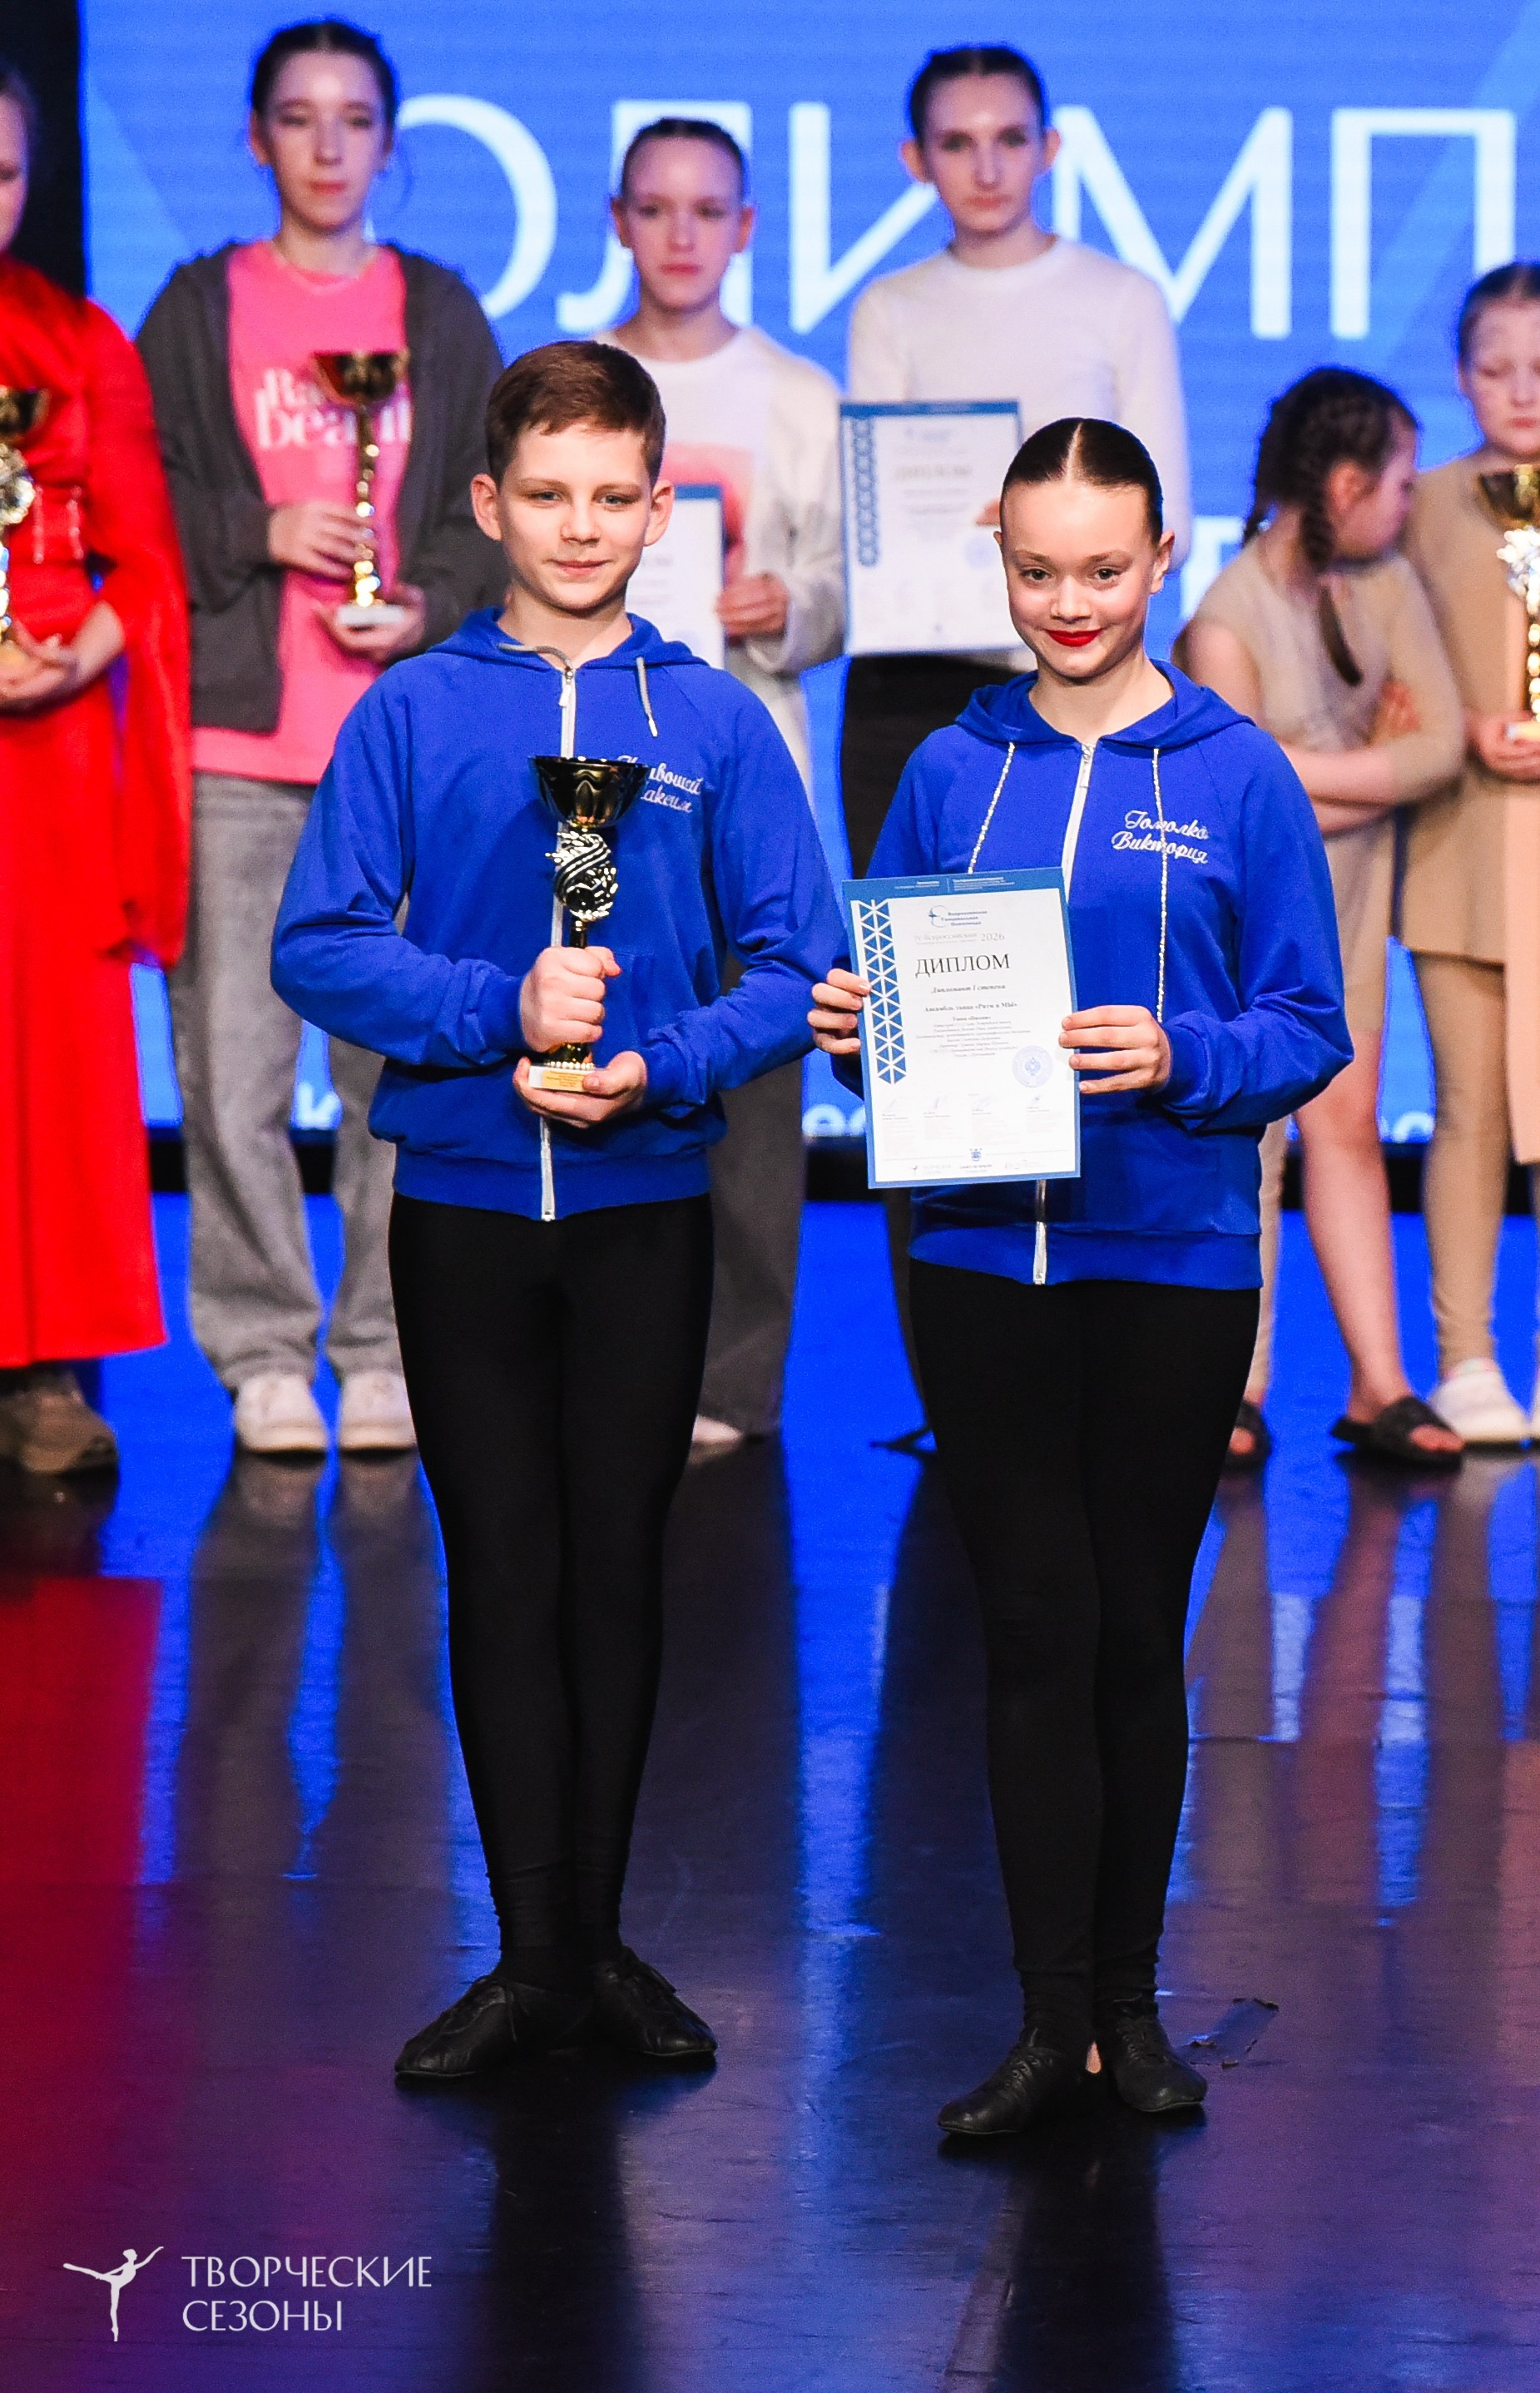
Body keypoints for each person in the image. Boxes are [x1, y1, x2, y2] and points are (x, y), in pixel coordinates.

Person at [271, 341, 843, 2078]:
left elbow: (799, 962)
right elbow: (320, 943)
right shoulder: (415, 711)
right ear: (486, 503)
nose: (580, 527)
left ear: (660, 509)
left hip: (642, 1206)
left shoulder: (714, 721)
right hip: (459, 1204)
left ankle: (591, 1948)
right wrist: (490, 1010)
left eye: (613, 496)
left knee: (617, 1569)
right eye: (547, 495)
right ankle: (531, 1960)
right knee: (502, 1567)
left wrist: (663, 1062)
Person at [810, 419, 1349, 2133]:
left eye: (1103, 570)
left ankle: (1130, 2010)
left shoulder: (1238, 772)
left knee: (1131, 1633)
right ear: (1000, 557)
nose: (1069, 602)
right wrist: (856, 1033)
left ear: (1162, 554)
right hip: (977, 1255)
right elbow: (902, 1012)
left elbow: (1308, 1025)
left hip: (1172, 1255)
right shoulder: (949, 766)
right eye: (1036, 570)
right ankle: (1050, 2024)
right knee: (1031, 1630)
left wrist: (1181, 1053)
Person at [137, 17, 505, 1459]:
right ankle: (260, 1350)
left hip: (400, 758)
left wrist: (424, 605)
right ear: (256, 138)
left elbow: (493, 506)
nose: (329, 145)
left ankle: (384, 1343)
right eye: (299, 117)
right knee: (230, 1077)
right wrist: (260, 525)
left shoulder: (439, 310)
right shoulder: (198, 305)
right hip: (234, 752)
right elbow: (134, 496)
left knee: (393, 1076)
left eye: (356, 119)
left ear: (390, 142)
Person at [841, 42, 1192, 1385]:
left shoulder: (1120, 297)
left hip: (1090, 690)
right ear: (914, 159)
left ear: (1052, 149)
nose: (984, 166)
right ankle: (956, 1369)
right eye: (955, 140)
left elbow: (1168, 509)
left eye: (1008, 138)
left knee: (1105, 997)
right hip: (918, 692)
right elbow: (888, 516)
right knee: (923, 1028)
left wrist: (1060, 580)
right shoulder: (891, 306)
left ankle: (1113, 1328)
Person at [605, 117, 844, 1450]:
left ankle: (732, 1386)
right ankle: (604, 1357)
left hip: (758, 780)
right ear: (619, 221)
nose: (683, 234)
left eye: (709, 210)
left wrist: (789, 606)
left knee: (755, 1085)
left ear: (746, 228)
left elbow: (853, 585)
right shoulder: (576, 382)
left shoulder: (799, 396)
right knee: (602, 1052)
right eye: (656, 208)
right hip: (598, 783)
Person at [1181, 369, 1465, 1469]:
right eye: (1398, 481)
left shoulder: (1381, 584)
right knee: (1253, 1137)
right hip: (1258, 910)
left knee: (1348, 1128)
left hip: (1347, 891)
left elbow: (1438, 747)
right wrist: (1366, 771)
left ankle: (1379, 1383)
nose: (1407, 502)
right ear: (1344, 485)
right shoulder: (1227, 618)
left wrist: (1309, 771)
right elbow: (1249, 796)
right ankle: (1237, 1384)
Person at [0, 57, 190, 1478]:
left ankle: (46, 1368)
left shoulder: (79, 339)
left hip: (49, 741)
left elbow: (146, 555)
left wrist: (79, 654)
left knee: (56, 1046)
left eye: (4, 172)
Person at [1400, 264, 1540, 1445]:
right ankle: (1467, 1359)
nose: (1521, 391)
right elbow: (1388, 665)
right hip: (1460, 840)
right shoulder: (1427, 504)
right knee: (1469, 1109)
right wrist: (1459, 726)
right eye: (1496, 368)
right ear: (1460, 375)